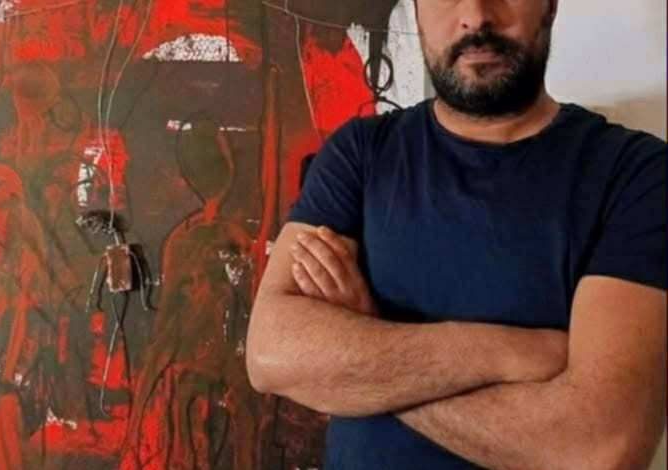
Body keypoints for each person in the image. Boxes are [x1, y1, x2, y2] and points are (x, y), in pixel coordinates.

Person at [244, 0, 667, 469]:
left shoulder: (638, 175)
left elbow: (598, 451)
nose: (476, 16)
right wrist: (512, 352)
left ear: (549, 5)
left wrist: (365, 349)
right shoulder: (359, 155)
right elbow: (270, 353)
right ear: (416, 11)